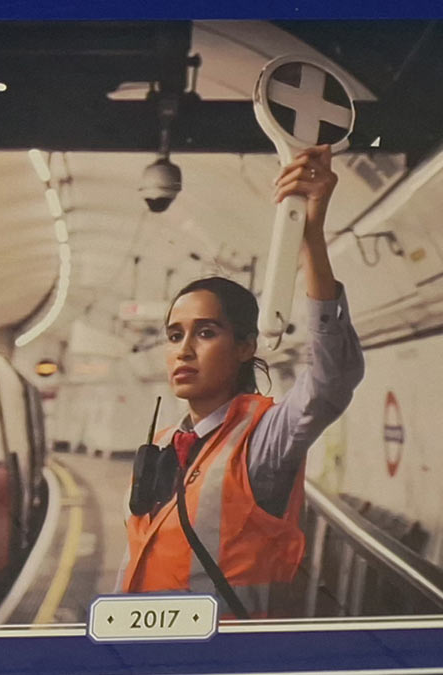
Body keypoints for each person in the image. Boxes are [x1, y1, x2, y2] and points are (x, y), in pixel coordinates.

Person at [118, 145, 365, 617]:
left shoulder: (263, 439)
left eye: (206, 333)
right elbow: (137, 555)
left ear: (246, 346)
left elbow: (333, 378)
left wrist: (311, 236)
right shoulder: (164, 442)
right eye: (175, 335)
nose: (184, 349)